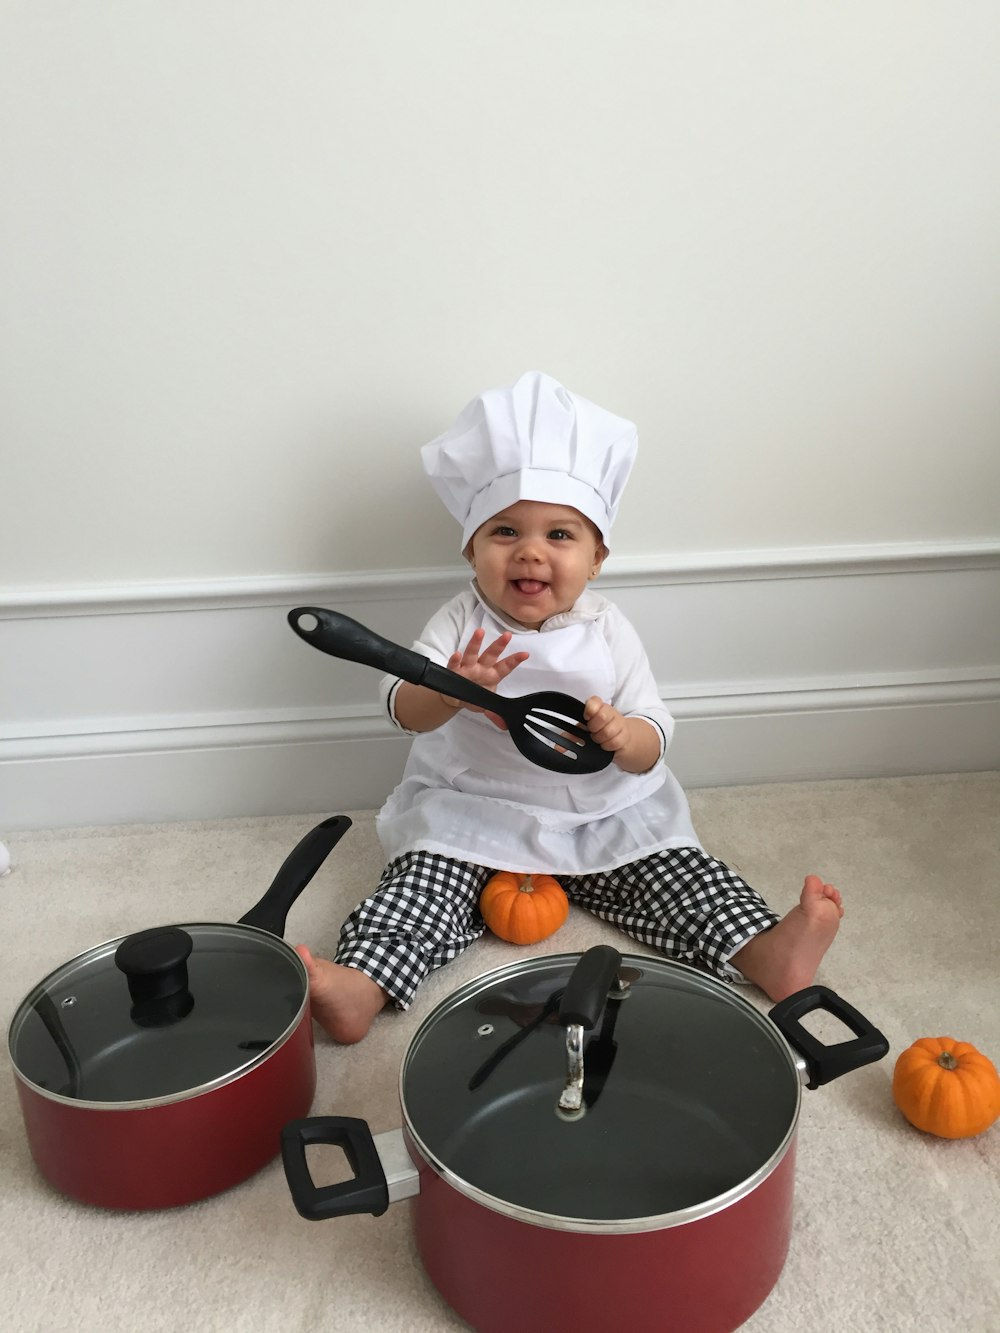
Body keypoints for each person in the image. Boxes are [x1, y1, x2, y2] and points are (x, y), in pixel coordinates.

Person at [297, 371, 842, 1043]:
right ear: (471, 548)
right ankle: (364, 983)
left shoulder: (608, 628)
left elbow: (654, 732)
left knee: (676, 874)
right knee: (420, 888)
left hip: (599, 812)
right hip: (474, 808)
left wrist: (624, 735)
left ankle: (766, 950)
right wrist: (446, 687)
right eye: (504, 531)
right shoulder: (458, 623)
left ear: (596, 558)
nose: (530, 550)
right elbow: (400, 704)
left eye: (559, 534)